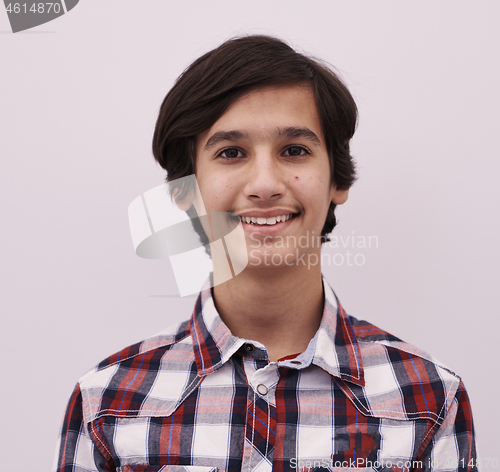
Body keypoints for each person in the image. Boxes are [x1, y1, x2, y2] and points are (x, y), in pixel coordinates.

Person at [53, 35, 477, 472]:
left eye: (294, 150)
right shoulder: (106, 402)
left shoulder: (428, 399)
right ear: (185, 190)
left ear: (338, 180)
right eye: (231, 153)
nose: (264, 183)